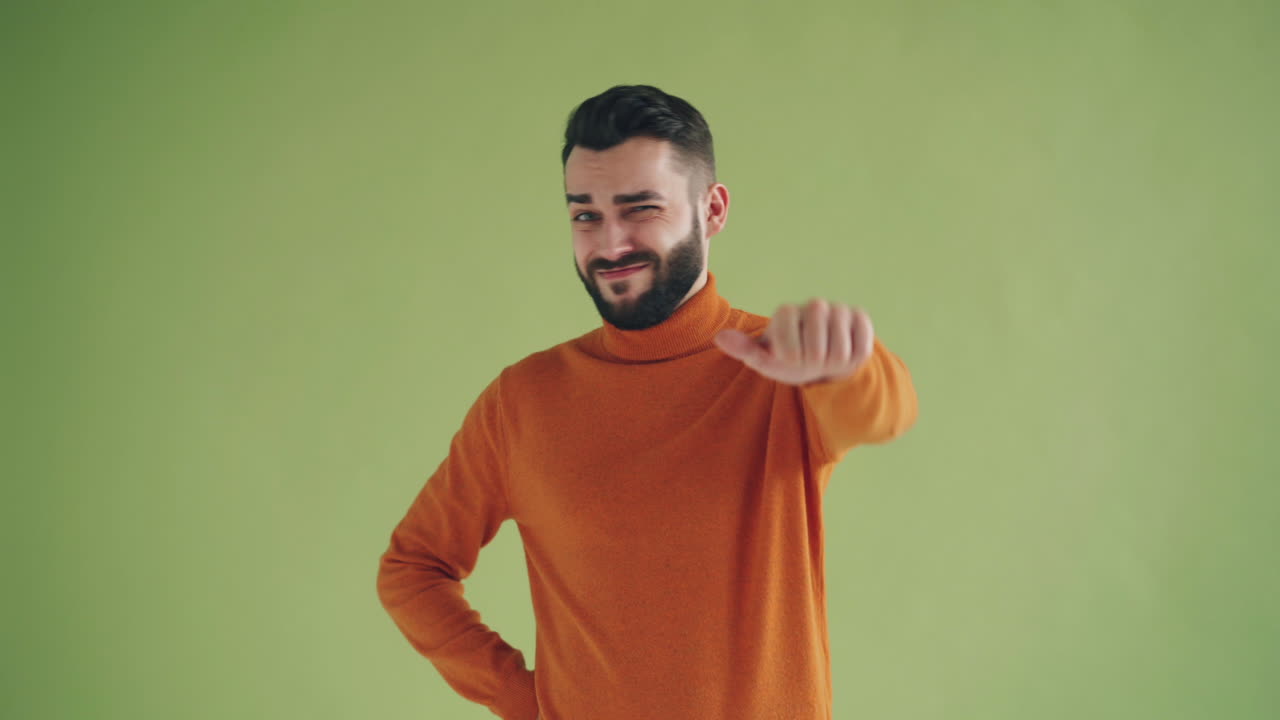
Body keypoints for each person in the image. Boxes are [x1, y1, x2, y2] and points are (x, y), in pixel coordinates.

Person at [376, 84, 919, 720]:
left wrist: (848, 363)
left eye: (640, 209)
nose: (609, 245)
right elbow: (412, 569)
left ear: (712, 210)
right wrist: (529, 701)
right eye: (585, 215)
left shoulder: (781, 369)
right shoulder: (523, 400)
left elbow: (884, 411)